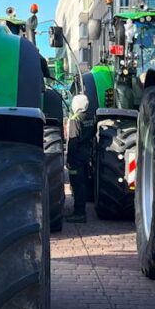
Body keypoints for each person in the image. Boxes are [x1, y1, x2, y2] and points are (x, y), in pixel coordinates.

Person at [65, 94, 95, 224]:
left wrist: (69, 160)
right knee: (83, 184)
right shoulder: (91, 117)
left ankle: (79, 213)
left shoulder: (74, 119)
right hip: (86, 155)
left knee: (77, 185)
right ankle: (81, 211)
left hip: (76, 158)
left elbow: (73, 142)